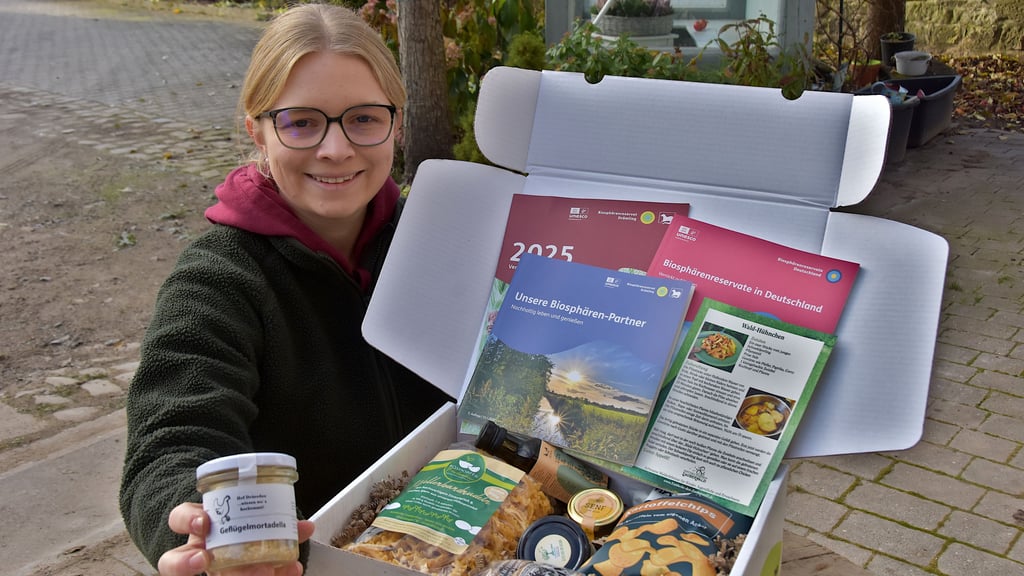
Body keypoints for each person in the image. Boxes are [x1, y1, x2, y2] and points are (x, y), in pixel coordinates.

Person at [118, 4, 452, 575]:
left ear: (397, 125)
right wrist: (196, 520)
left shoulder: (441, 241)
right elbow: (173, 434)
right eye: (302, 122)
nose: (336, 149)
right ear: (258, 130)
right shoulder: (219, 279)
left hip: (468, 535)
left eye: (364, 119)